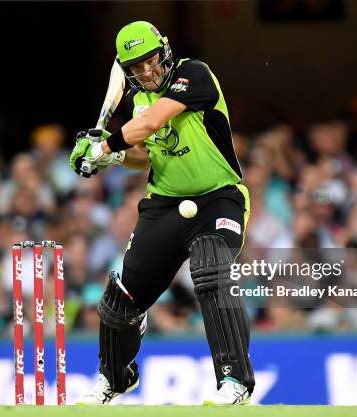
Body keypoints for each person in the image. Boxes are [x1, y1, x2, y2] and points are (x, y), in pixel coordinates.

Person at [70, 20, 255, 406]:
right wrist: (114, 155)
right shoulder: (138, 100)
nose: (146, 72)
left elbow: (153, 123)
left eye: (151, 61)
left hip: (219, 197)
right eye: (135, 68)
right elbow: (145, 153)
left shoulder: (195, 74)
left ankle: (235, 381)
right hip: (165, 203)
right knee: (121, 299)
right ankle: (114, 378)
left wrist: (102, 148)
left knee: (210, 268)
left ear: (165, 52)